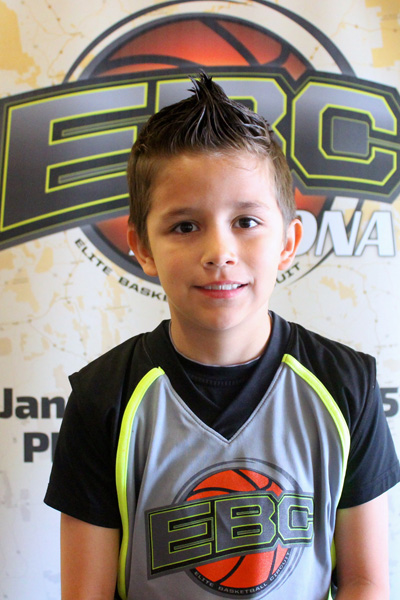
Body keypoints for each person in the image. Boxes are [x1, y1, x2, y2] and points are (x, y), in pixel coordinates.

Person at [45, 72, 400, 600]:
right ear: (142, 248)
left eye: (246, 222)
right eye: (185, 226)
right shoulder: (104, 396)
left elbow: (364, 581)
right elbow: (86, 593)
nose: (219, 253)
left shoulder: (346, 383)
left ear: (288, 241)